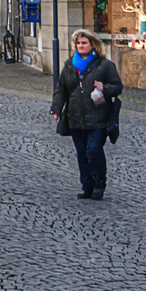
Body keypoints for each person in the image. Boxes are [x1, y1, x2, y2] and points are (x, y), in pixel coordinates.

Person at [50, 29, 123, 201]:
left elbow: (117, 87)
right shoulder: (69, 65)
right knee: (81, 153)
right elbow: (61, 90)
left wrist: (104, 88)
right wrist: (56, 109)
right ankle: (86, 185)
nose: (81, 46)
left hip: (98, 117)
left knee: (94, 150)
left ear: (92, 45)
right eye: (78, 43)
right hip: (75, 117)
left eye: (84, 43)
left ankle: (99, 185)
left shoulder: (104, 65)